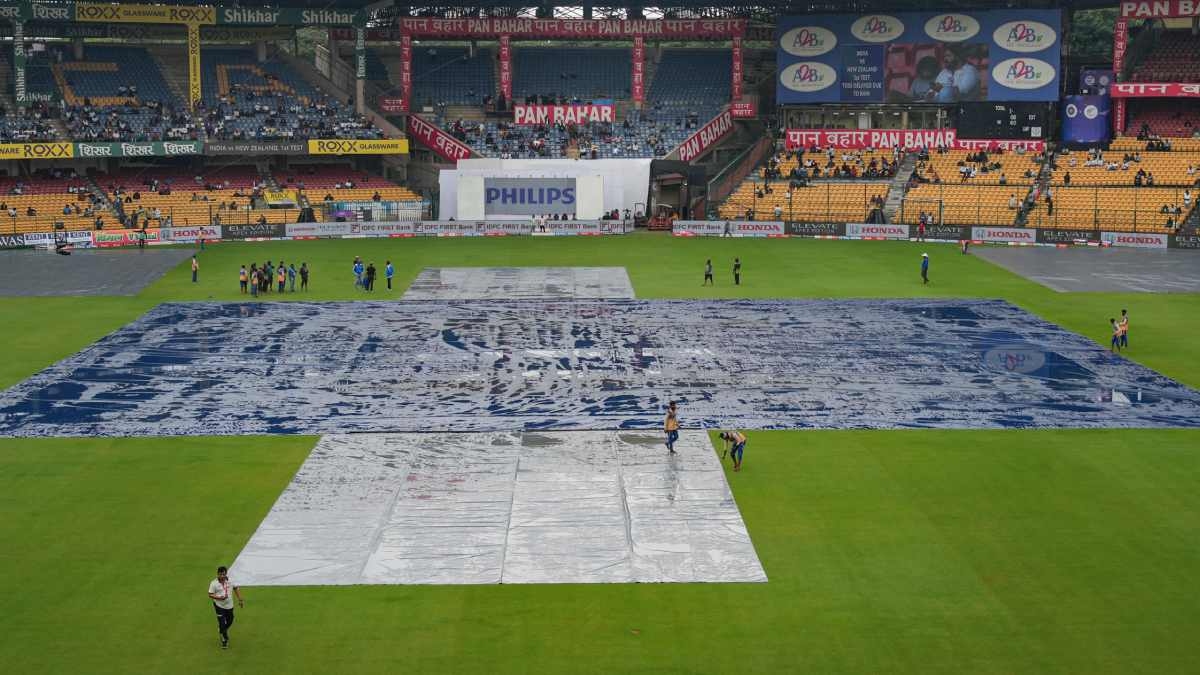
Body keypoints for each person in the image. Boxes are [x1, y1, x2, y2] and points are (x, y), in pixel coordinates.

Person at [207, 565, 243, 649]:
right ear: (217, 574)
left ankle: (222, 629)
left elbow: (236, 588)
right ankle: (224, 640)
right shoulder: (214, 583)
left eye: (223, 574)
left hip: (229, 605)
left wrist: (240, 599)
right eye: (220, 574)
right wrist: (220, 598)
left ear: (226, 574)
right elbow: (210, 594)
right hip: (219, 606)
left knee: (230, 620)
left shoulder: (231, 581)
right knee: (222, 623)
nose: (222, 576)